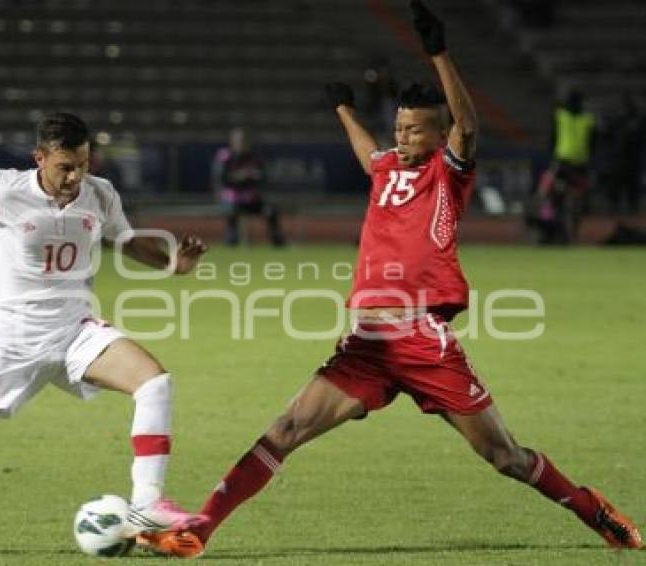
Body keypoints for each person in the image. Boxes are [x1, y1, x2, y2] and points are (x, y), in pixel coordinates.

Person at [139, 1, 642, 557]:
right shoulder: (388, 169)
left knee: (506, 458)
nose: (401, 138)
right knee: (284, 431)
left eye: (413, 130)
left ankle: (592, 509)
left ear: (437, 134)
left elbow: (469, 127)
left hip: (423, 340)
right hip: (369, 342)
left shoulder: (447, 174)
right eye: (398, 127)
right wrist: (343, 110)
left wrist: (438, 53)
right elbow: (367, 155)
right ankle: (199, 528)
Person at [0, 112, 208, 555]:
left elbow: (125, 241)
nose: (75, 176)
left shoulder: (99, 194)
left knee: (155, 382)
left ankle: (146, 503)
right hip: (10, 338)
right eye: (65, 166)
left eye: (83, 164)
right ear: (40, 159)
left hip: (73, 329)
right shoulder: (6, 189)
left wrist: (173, 263)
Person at [212, 127, 286, 247]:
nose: (242, 143)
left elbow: (262, 177)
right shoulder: (225, 156)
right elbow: (222, 179)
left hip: (251, 200)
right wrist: (240, 176)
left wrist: (251, 176)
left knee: (270, 211)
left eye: (244, 140)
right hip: (232, 200)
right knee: (231, 214)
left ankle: (277, 241)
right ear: (232, 141)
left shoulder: (254, 156)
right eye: (239, 140)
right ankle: (231, 240)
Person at [544, 89, 596, 243]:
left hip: (563, 163)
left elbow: (552, 138)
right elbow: (594, 143)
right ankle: (570, 233)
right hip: (579, 165)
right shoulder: (587, 119)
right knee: (576, 200)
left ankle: (550, 227)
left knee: (552, 197)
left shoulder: (561, 116)